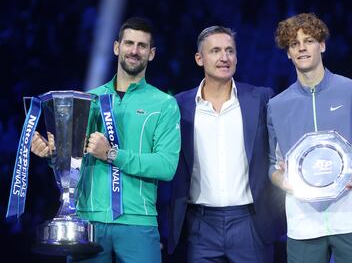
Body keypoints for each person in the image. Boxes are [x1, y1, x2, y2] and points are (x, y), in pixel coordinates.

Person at [31, 17, 181, 262]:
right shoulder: (87, 99)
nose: (134, 50)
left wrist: (112, 154)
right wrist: (52, 154)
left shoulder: (164, 104)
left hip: (138, 222)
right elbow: (72, 160)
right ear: (116, 47)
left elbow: (166, 166)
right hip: (88, 221)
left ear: (151, 53)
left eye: (142, 46)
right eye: (129, 43)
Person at [268, 13, 352, 263]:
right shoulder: (277, 105)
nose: (302, 48)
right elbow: (273, 164)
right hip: (303, 224)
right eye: (294, 44)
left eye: (309, 41)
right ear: (288, 53)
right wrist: (284, 181)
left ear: (322, 45)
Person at [167, 26, 285, 263]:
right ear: (199, 59)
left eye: (230, 51)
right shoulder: (179, 105)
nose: (225, 57)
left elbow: (294, 117)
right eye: (216, 51)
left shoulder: (261, 98)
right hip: (199, 225)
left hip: (251, 222)